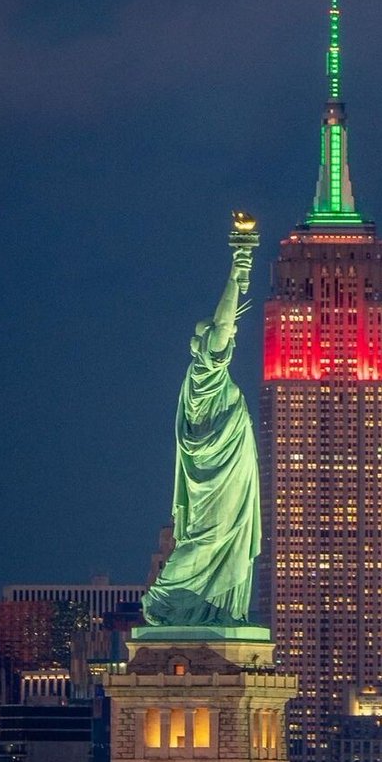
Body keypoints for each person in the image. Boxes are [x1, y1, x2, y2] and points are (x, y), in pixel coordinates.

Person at [142, 241, 260, 627]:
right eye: (212, 340)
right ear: (204, 347)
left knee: (223, 539)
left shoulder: (206, 380)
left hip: (229, 471)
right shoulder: (204, 376)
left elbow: (225, 326)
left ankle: (215, 610)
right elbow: (225, 323)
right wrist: (235, 274)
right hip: (213, 476)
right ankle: (166, 597)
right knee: (208, 539)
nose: (223, 341)